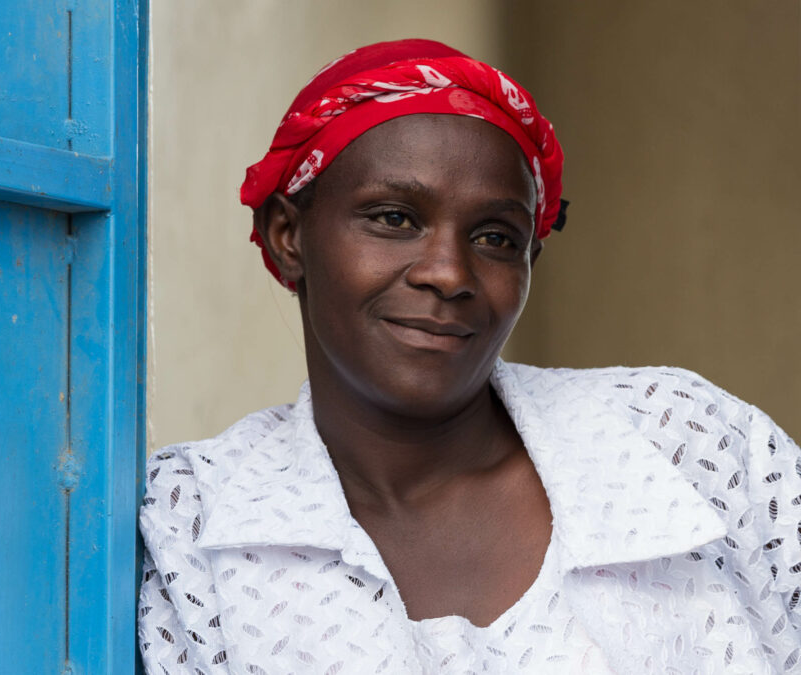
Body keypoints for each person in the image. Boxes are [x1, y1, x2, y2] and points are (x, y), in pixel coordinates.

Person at [137, 39, 801, 674]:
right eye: (394, 218)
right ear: (287, 235)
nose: (448, 272)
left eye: (495, 237)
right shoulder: (191, 525)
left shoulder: (688, 445)